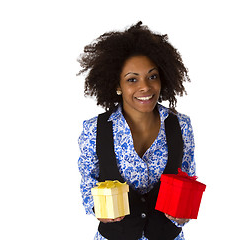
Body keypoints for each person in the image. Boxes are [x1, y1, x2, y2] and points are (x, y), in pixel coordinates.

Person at [77, 21, 196, 240]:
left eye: (152, 76)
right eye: (132, 79)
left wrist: (182, 214)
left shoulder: (180, 124)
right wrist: (98, 210)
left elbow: (187, 177)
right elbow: (88, 180)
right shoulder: (95, 129)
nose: (145, 87)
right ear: (118, 85)